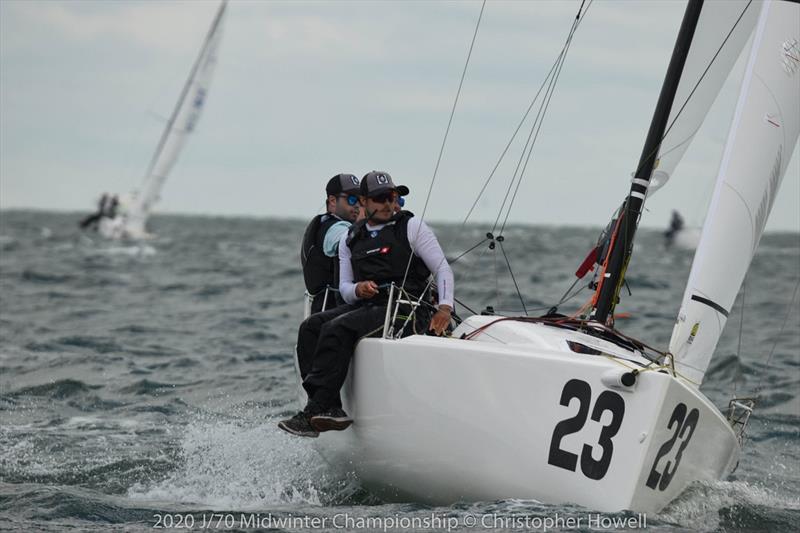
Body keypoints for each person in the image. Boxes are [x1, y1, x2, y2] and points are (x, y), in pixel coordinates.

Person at [280, 171, 454, 438]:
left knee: (337, 328)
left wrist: (444, 308)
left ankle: (313, 411)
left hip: (405, 309)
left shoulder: (411, 227)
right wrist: (359, 289)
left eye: (393, 197)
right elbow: (346, 290)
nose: (388, 203)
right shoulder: (351, 238)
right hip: (367, 306)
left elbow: (442, 269)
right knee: (311, 327)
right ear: (364, 202)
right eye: (380, 198)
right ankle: (330, 407)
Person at [300, 174, 361, 315]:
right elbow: (349, 242)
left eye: (361, 200)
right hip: (332, 313)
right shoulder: (334, 228)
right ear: (333, 201)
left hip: (328, 311)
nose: (357, 205)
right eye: (352, 199)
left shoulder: (330, 224)